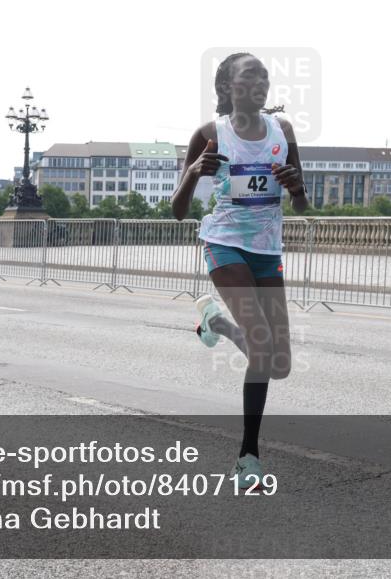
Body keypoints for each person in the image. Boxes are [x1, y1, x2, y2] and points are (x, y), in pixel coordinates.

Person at [172, 52, 307, 490]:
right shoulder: (210, 134)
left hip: (267, 250)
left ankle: (216, 324)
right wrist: (193, 171)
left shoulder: (282, 132)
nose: (261, 84)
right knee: (263, 346)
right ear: (228, 87)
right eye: (250, 77)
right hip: (224, 243)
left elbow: (304, 205)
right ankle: (248, 457)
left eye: (265, 77)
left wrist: (297, 189)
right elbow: (178, 211)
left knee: (278, 362)